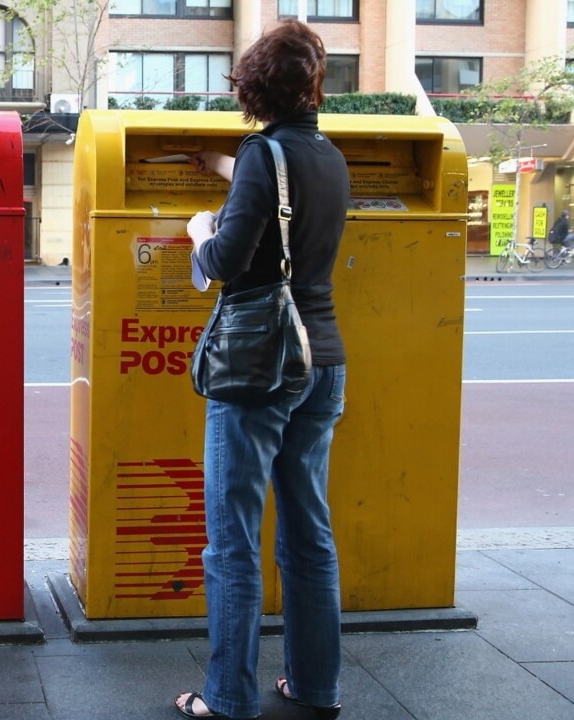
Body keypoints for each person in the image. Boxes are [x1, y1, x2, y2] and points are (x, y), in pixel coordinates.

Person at [174, 19, 348, 720]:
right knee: (309, 534)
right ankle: (315, 686)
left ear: (251, 85)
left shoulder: (261, 154)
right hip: (323, 361)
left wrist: (197, 232)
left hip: (260, 368)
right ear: (312, 85)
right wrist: (226, 168)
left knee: (233, 542)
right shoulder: (328, 156)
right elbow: (284, 205)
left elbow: (227, 260)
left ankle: (227, 699)